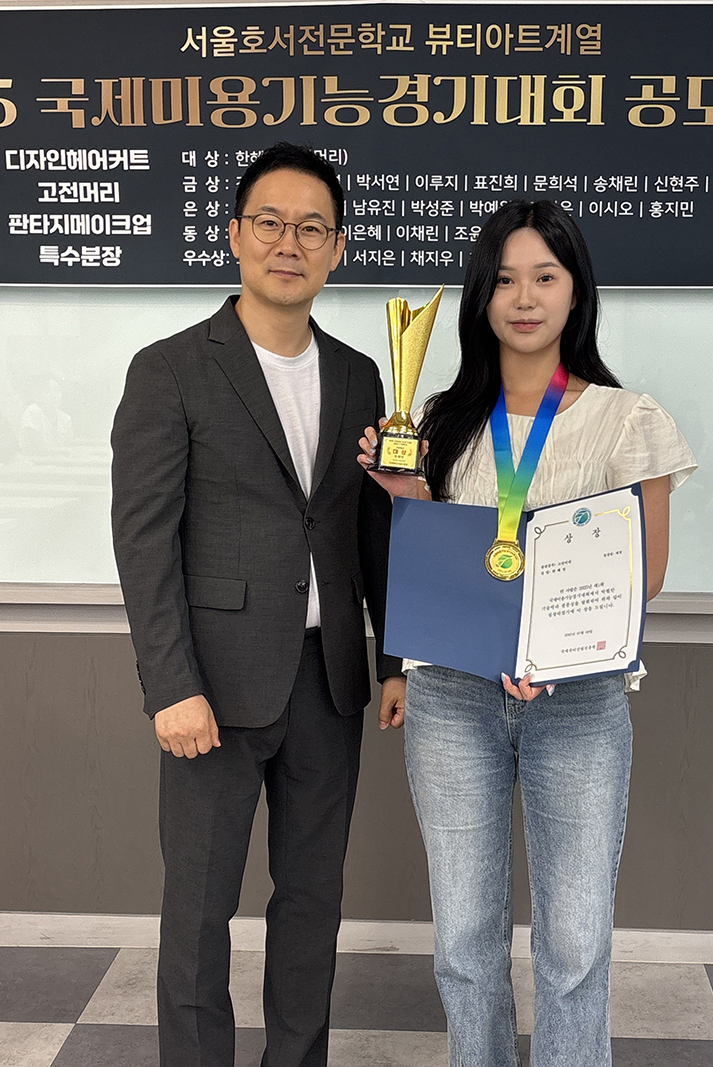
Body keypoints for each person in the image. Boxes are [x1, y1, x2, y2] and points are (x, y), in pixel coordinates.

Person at [359, 200, 696, 1067]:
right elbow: (445, 561)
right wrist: (407, 497)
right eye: (505, 279)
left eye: (545, 276)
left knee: (576, 945)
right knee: (464, 942)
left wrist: (557, 649)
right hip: (453, 697)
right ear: (482, 297)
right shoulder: (440, 419)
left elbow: (644, 574)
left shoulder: (627, 419)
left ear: (576, 291)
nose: (524, 297)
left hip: (578, 702)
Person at [111, 141, 405, 1067]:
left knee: (312, 904)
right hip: (213, 689)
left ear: (338, 249)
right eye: (271, 223)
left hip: (329, 684)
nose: (290, 243)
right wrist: (170, 686)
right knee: (199, 911)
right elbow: (145, 541)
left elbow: (370, 529)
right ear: (235, 235)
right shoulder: (170, 368)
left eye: (312, 228)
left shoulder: (359, 375)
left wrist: (394, 658)